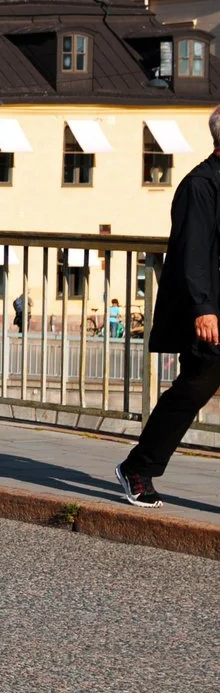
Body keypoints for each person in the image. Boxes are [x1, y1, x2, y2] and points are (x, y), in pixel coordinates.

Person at [120, 108, 220, 505]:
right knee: (191, 391)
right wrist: (204, 309)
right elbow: (191, 253)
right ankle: (138, 468)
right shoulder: (200, 185)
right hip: (212, 309)